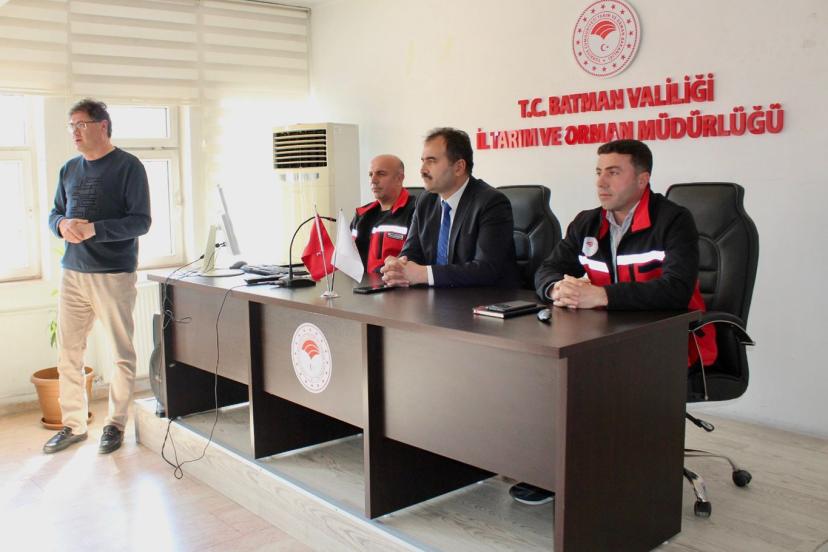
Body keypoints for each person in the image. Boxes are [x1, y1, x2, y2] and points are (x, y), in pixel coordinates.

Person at [510, 138, 717, 505]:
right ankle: (552, 469)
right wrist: (556, 288)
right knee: (544, 367)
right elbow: (547, 268)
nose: (601, 182)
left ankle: (591, 473)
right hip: (606, 336)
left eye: (613, 172)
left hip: (672, 340)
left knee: (585, 379)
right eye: (598, 172)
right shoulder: (587, 222)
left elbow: (676, 290)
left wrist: (601, 296)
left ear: (642, 179)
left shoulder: (674, 221)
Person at [44, 98, 151, 455]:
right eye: (71, 126)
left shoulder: (128, 167)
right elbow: (54, 213)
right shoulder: (69, 169)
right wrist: (62, 225)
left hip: (113, 274)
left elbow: (141, 221)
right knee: (69, 353)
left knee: (121, 354)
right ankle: (73, 425)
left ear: (102, 126)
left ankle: (115, 425)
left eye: (81, 124)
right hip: (73, 273)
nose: (74, 132)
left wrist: (95, 230)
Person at [381, 127, 519, 288]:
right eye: (422, 161)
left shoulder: (491, 203)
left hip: (486, 298)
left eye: (431, 161)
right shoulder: (426, 200)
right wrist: (399, 266)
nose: (422, 170)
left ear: (459, 167)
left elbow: (486, 269)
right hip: (436, 297)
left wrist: (424, 274)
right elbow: (411, 252)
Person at [350, 154, 416, 273]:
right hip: (358, 283)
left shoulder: (416, 211)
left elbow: (415, 258)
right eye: (371, 174)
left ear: (399, 178)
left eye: (381, 174)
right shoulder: (362, 214)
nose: (373, 180)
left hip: (393, 283)